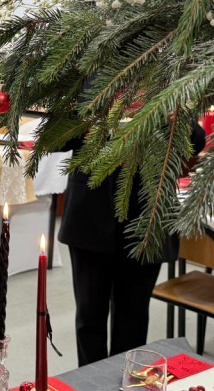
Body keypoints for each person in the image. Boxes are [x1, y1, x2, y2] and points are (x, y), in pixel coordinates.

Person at [59, 121, 205, 366]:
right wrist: (88, 123)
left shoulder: (165, 95)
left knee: (133, 319)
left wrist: (172, 116)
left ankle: (127, 383)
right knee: (89, 317)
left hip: (146, 216)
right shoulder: (83, 94)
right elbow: (56, 138)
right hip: (89, 214)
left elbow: (196, 140)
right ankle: (87, 385)